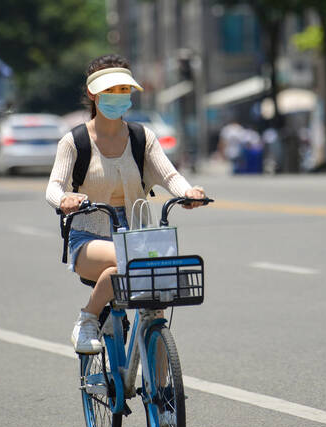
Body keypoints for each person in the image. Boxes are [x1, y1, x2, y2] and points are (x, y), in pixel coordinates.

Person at [46, 54, 206, 354]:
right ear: (94, 94)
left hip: (136, 234)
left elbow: (169, 175)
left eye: (124, 90)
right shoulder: (74, 141)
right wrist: (64, 199)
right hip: (88, 238)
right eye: (111, 90)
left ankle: (160, 393)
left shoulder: (141, 137)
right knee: (129, 263)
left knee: (156, 304)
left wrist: (189, 193)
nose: (119, 97)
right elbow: (53, 186)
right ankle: (88, 319)